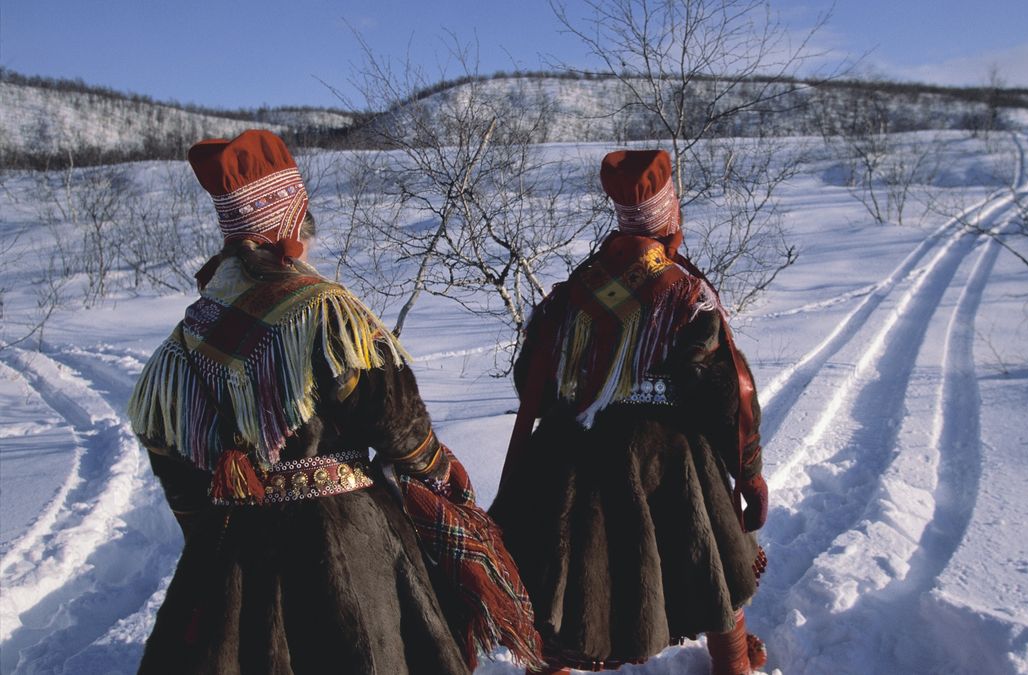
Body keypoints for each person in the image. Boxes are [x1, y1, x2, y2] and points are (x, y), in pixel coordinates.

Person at [128, 129, 541, 674]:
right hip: (343, 541)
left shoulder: (182, 343)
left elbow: (175, 465)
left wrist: (218, 543)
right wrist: (437, 470)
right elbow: (391, 417)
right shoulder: (323, 313)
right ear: (289, 224)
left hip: (230, 553)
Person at [489, 149, 769, 675]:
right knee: (710, 562)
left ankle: (549, 668)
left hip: (567, 452)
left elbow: (533, 383)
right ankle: (732, 662)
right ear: (670, 218)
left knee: (560, 582)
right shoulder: (687, 295)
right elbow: (728, 397)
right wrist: (748, 474)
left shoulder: (568, 295)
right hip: (667, 460)